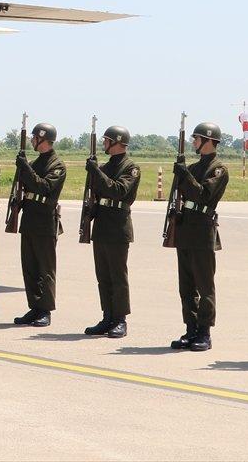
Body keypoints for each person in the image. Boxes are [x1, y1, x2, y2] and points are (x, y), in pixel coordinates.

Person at [169, 121, 230, 352]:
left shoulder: (218, 169)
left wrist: (185, 175)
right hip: (186, 228)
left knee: (205, 285)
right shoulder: (194, 167)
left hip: (203, 230)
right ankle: (191, 328)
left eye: (197, 138)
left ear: (208, 140)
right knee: (186, 285)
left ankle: (204, 332)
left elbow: (203, 195)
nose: (193, 142)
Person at [83, 125, 141, 338]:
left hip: (118, 227)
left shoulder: (131, 168)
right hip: (102, 225)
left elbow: (118, 190)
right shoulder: (105, 167)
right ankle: (107, 317)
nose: (104, 144)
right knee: (103, 276)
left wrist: (96, 172)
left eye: (107, 140)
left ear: (117, 142)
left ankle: (120, 319)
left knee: (118, 276)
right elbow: (96, 194)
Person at [13, 122, 65, 328]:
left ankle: (45, 310)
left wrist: (25, 167)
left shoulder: (57, 165)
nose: (32, 141)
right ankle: (34, 307)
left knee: (45, 269)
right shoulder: (35, 162)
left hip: (45, 221)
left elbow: (43, 187)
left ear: (43, 139)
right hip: (30, 219)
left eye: (34, 138)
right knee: (30, 268)